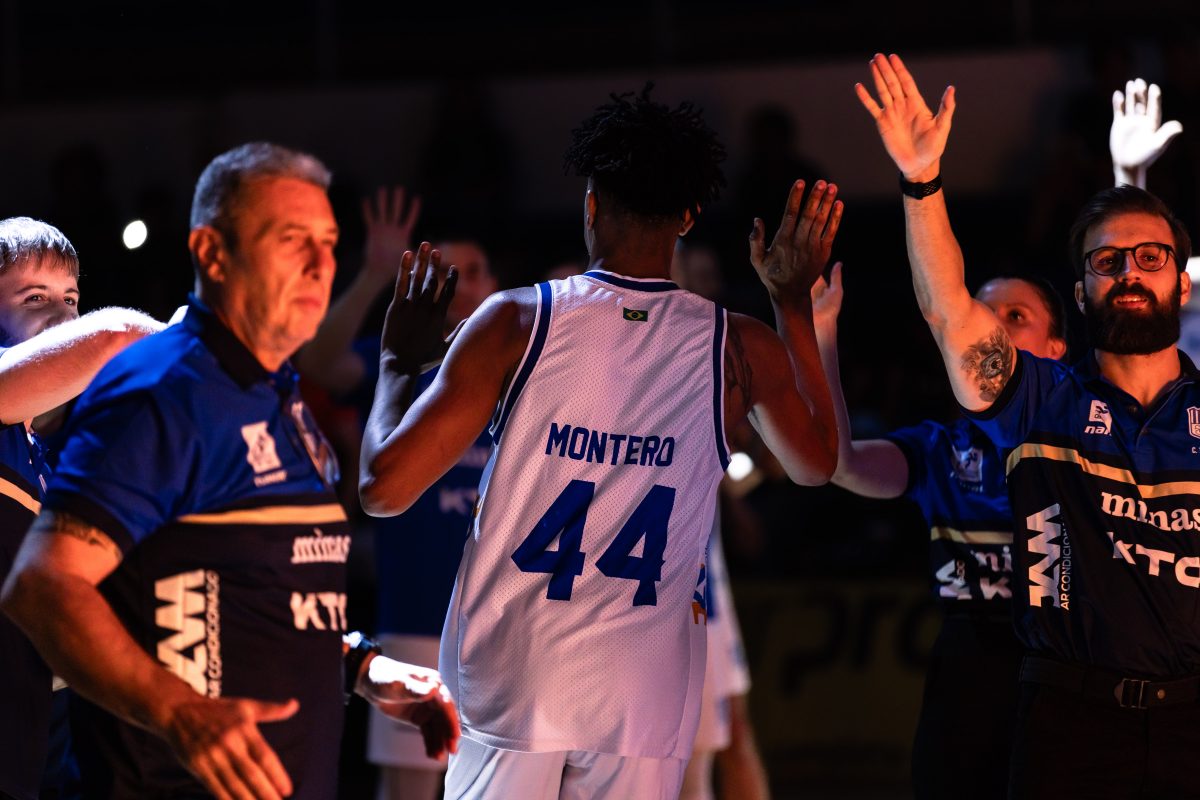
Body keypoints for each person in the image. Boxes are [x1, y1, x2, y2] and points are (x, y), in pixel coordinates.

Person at [360, 86, 840, 799]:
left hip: (517, 672)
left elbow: (383, 491)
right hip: (642, 689)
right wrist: (793, 305)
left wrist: (398, 363)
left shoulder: (517, 321)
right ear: (688, 216)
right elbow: (818, 463)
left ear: (590, 206)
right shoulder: (739, 346)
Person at [0, 142, 459, 800]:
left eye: (330, 242)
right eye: (291, 240)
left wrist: (361, 664)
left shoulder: (281, 402)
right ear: (213, 254)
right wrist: (178, 711)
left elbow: (252, 586)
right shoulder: (155, 390)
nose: (320, 263)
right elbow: (42, 589)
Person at [856, 52, 1200, 798]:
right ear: (1079, 294)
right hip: (1069, 724)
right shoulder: (1044, 402)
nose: (1129, 272)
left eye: (1150, 258)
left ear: (1183, 281)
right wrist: (922, 180)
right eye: (1107, 262)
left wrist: (1130, 180)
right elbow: (950, 312)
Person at [812, 261, 1066, 799]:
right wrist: (821, 328)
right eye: (982, 313)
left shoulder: (1088, 444)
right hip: (968, 665)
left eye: (1016, 316)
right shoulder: (938, 448)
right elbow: (839, 464)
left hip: (1062, 665)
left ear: (1055, 350)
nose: (993, 328)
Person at [296, 200, 498, 800]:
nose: (466, 286)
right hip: (416, 612)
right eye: (451, 273)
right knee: (411, 786)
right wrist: (374, 276)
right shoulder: (401, 362)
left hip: (498, 619)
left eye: (477, 271)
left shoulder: (517, 360)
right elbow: (317, 363)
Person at [0, 216, 164, 800]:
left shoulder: (60, 450)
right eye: (35, 298)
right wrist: (191, 348)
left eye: (71, 299)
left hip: (42, 744)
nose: (63, 317)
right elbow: (116, 334)